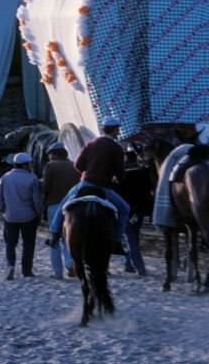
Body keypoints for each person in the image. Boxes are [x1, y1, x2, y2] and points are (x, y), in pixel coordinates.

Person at [48, 117, 130, 255]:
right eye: (117, 129)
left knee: (63, 204)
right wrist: (115, 178)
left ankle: (54, 235)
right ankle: (116, 241)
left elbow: (78, 165)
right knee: (125, 209)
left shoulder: (91, 144)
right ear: (115, 129)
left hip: (85, 183)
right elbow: (120, 174)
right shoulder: (116, 148)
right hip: (103, 187)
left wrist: (87, 173)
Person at [0, 152, 42, 280]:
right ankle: (27, 270)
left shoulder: (5, 177)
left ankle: (10, 265)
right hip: (28, 216)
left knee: (10, 243)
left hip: (10, 216)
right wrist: (39, 213)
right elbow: (36, 200)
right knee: (28, 244)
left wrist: (0, 209)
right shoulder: (32, 178)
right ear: (26, 164)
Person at [41, 143, 80, 279]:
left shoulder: (50, 166)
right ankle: (70, 263)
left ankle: (58, 272)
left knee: (54, 238)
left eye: (50, 154)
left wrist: (42, 203)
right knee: (69, 236)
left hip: (54, 205)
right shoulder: (74, 165)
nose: (49, 157)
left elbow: (46, 187)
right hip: (73, 206)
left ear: (54, 154)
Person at [119, 147, 155, 276]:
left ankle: (140, 268)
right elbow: (149, 191)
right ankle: (129, 264)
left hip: (126, 210)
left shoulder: (121, 174)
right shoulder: (143, 172)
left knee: (130, 239)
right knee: (133, 237)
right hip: (139, 209)